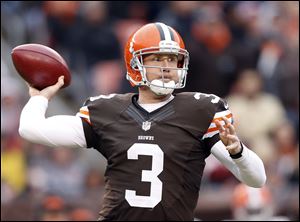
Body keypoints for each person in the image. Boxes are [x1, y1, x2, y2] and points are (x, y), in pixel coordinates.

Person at [19, 22, 266, 221]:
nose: (167, 67)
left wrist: (238, 151)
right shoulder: (106, 110)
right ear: (135, 63)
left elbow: (256, 180)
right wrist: (40, 98)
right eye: (157, 59)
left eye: (172, 59)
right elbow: (30, 129)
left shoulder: (200, 109)